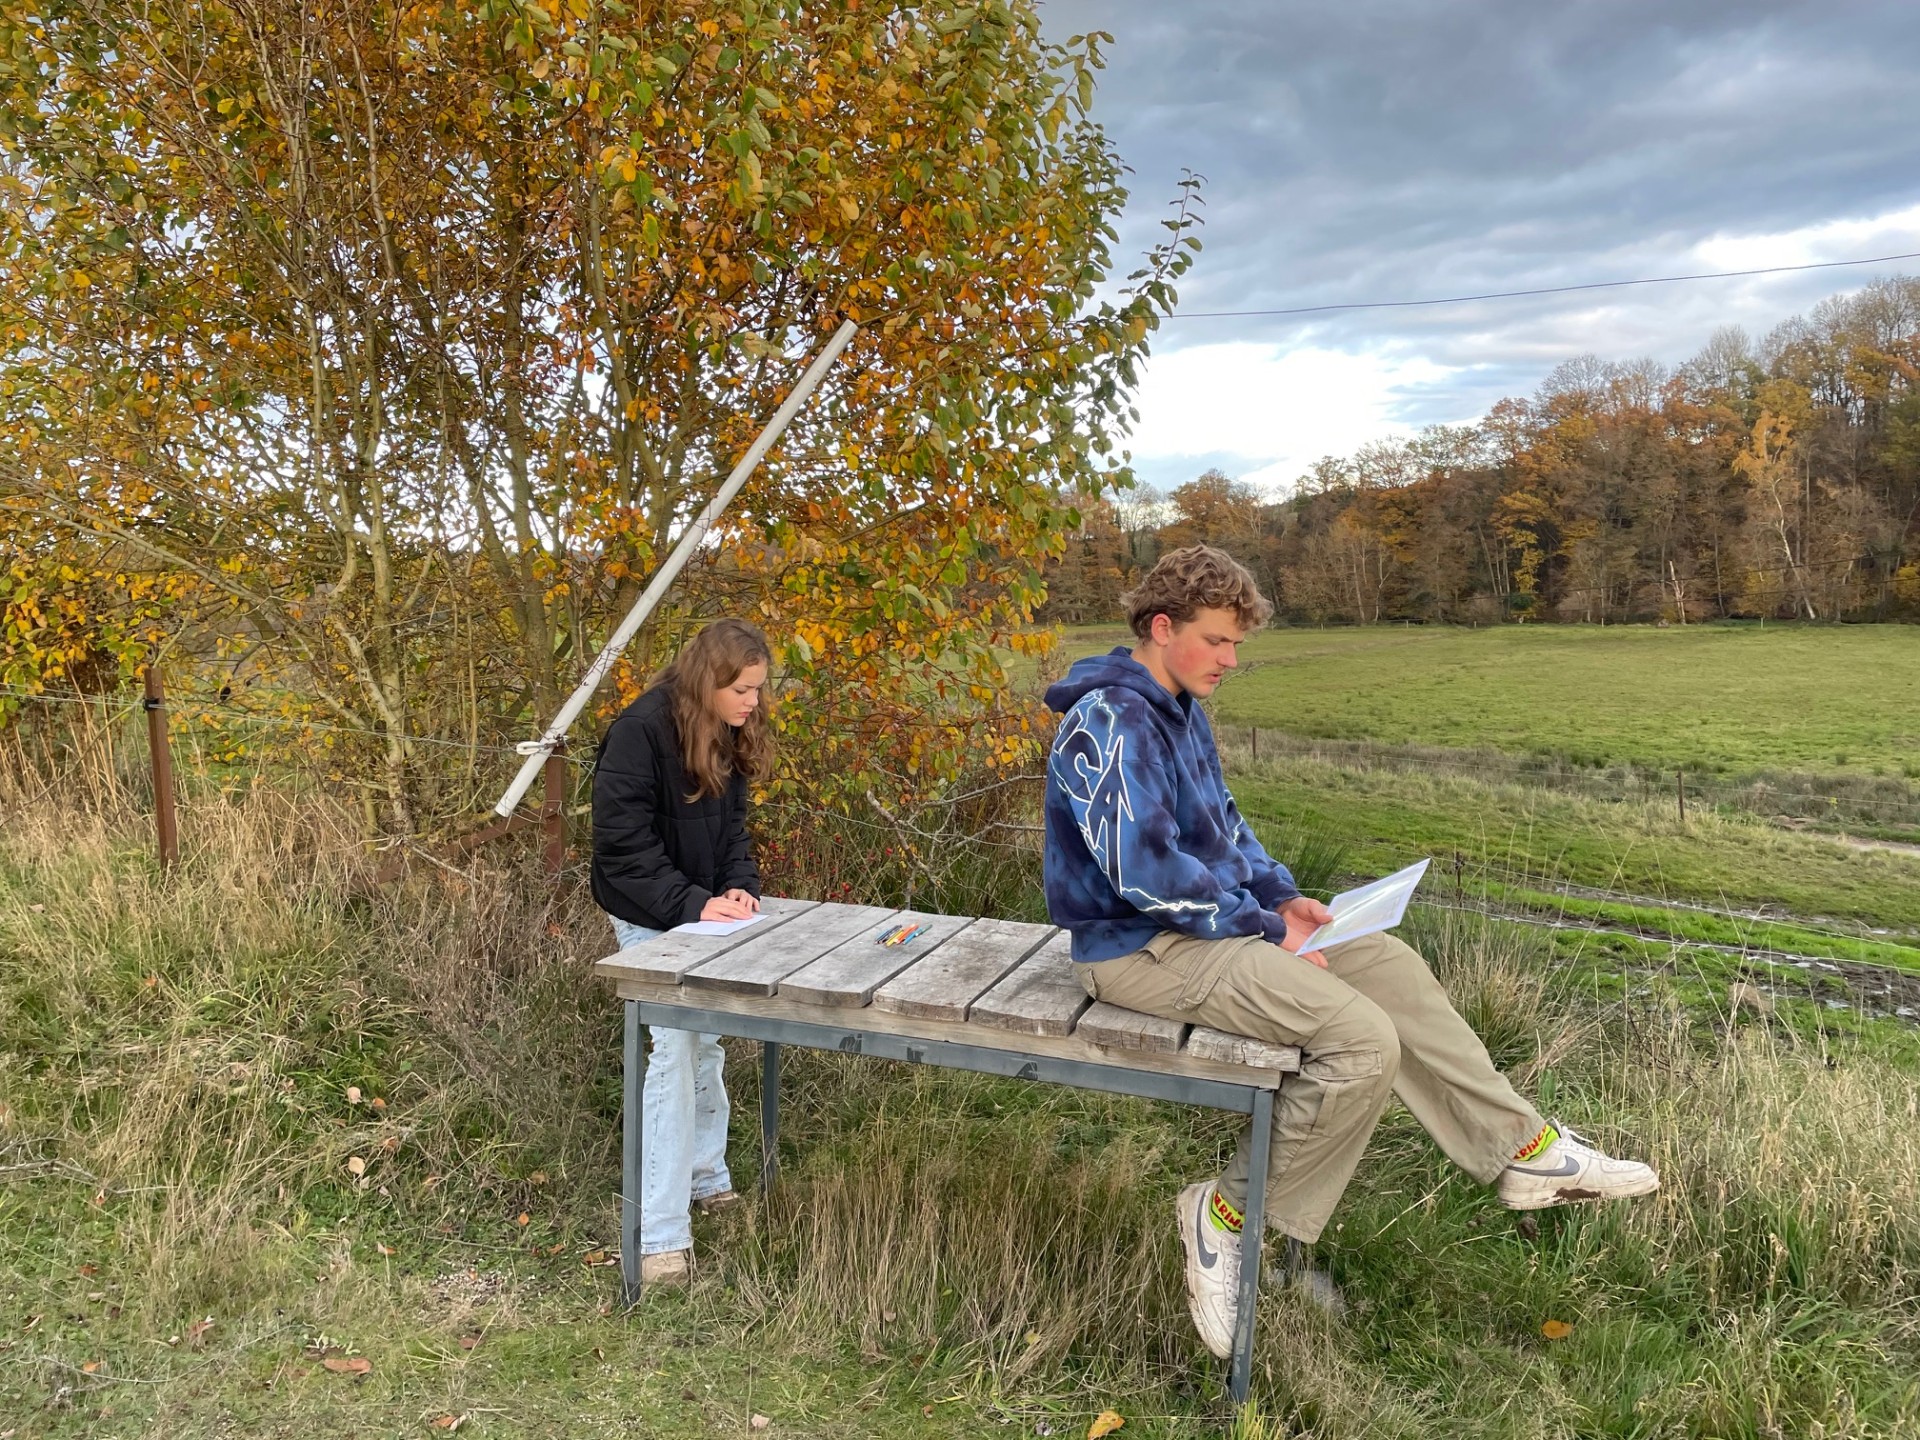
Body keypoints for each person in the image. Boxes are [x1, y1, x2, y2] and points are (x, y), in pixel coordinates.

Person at [1042, 546, 1658, 1358]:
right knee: (1361, 1041)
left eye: (1237, 645)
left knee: (1392, 969)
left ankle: (1524, 1152)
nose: (1232, 660)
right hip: (1138, 948)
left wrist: (1282, 897)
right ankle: (1223, 1217)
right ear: (1163, 628)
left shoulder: (1178, 708)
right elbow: (1147, 873)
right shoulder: (1111, 721)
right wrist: (1267, 931)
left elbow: (1224, 830)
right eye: (1219, 641)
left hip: (1206, 930)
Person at [591, 618, 775, 1287]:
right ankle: (659, 1239)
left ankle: (706, 1175)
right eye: (743, 689)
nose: (753, 702)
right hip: (645, 909)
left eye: (758, 688)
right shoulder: (638, 732)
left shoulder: (726, 729)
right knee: (674, 1044)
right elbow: (621, 847)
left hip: (703, 909)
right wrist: (695, 904)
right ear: (710, 680)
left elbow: (733, 832)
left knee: (710, 1039)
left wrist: (739, 889)